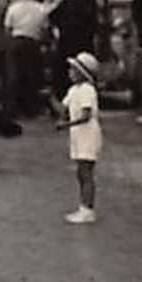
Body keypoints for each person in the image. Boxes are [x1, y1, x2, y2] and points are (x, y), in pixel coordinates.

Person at [54, 52, 102, 224]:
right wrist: (50, 98)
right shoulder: (73, 90)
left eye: (74, 70)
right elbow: (62, 109)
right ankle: (83, 206)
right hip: (78, 135)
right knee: (80, 172)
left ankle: (88, 209)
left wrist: (65, 125)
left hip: (87, 134)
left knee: (86, 171)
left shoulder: (87, 90)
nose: (70, 73)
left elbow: (85, 116)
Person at [48, 0, 99, 98]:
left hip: (67, 42)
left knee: (65, 73)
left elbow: (52, 17)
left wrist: (60, 29)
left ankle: (64, 98)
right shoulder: (90, 3)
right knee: (84, 73)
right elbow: (95, 24)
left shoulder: (68, 0)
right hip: (84, 43)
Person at [5, 0, 50, 117]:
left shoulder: (13, 7)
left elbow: (7, 28)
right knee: (32, 76)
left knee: (14, 75)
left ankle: (14, 109)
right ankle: (31, 108)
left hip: (15, 42)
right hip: (32, 43)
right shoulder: (41, 8)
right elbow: (44, 30)